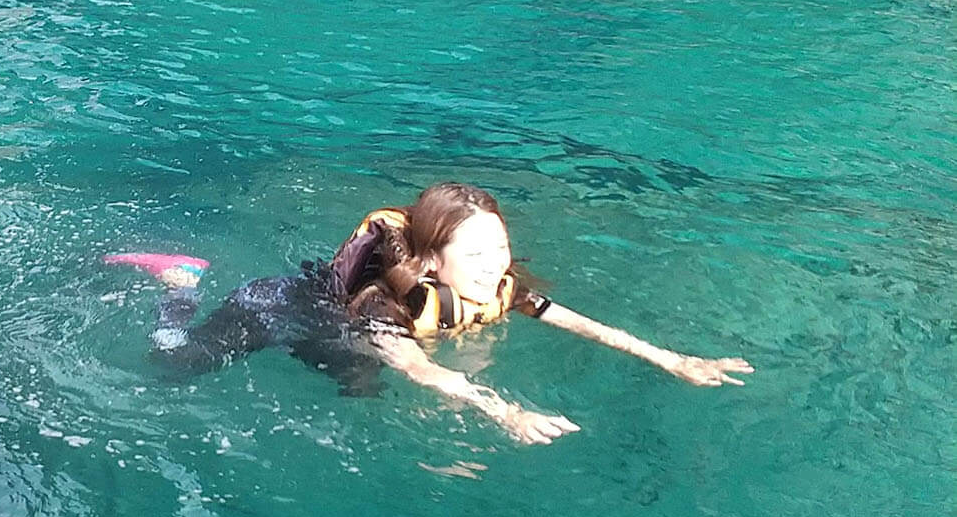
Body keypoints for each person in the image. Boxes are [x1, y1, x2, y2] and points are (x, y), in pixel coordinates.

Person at [106, 182, 753, 445]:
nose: (493, 263)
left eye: (499, 247)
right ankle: (180, 281)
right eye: (473, 252)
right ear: (433, 260)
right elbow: (426, 372)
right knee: (171, 363)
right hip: (277, 310)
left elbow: (581, 322)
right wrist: (506, 413)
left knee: (359, 395)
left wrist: (673, 360)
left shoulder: (497, 285)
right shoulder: (390, 307)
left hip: (335, 335)